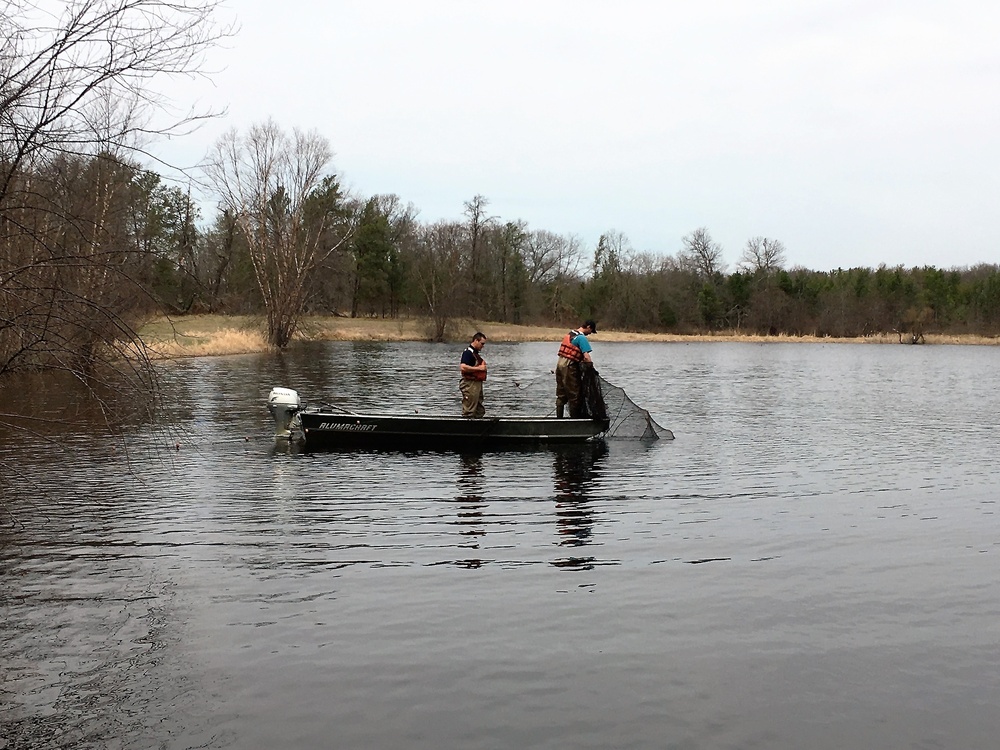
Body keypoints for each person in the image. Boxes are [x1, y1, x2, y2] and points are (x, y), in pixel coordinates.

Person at [555, 320, 597, 418]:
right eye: (591, 330)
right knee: (575, 395)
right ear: (588, 326)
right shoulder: (581, 338)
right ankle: (575, 421)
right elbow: (586, 356)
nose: (590, 333)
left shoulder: (570, 333)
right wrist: (591, 368)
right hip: (569, 368)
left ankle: (558, 419)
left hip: (559, 366)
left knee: (561, 394)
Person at [459, 332, 488, 418]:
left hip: (476, 384)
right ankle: (466, 427)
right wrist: (479, 368)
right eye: (482, 343)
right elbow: (463, 367)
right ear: (476, 340)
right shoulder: (468, 353)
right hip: (470, 384)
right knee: (469, 409)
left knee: (479, 409)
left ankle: (479, 427)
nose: (483, 346)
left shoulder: (475, 354)